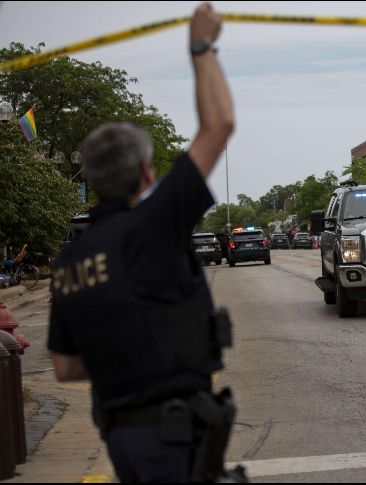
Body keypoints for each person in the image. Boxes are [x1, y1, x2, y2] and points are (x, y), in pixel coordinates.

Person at [47, 4, 240, 482]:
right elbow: (219, 126)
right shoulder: (153, 225)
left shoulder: (69, 261)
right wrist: (202, 47)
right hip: (171, 440)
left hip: (124, 439)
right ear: (147, 174)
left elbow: (67, 368)